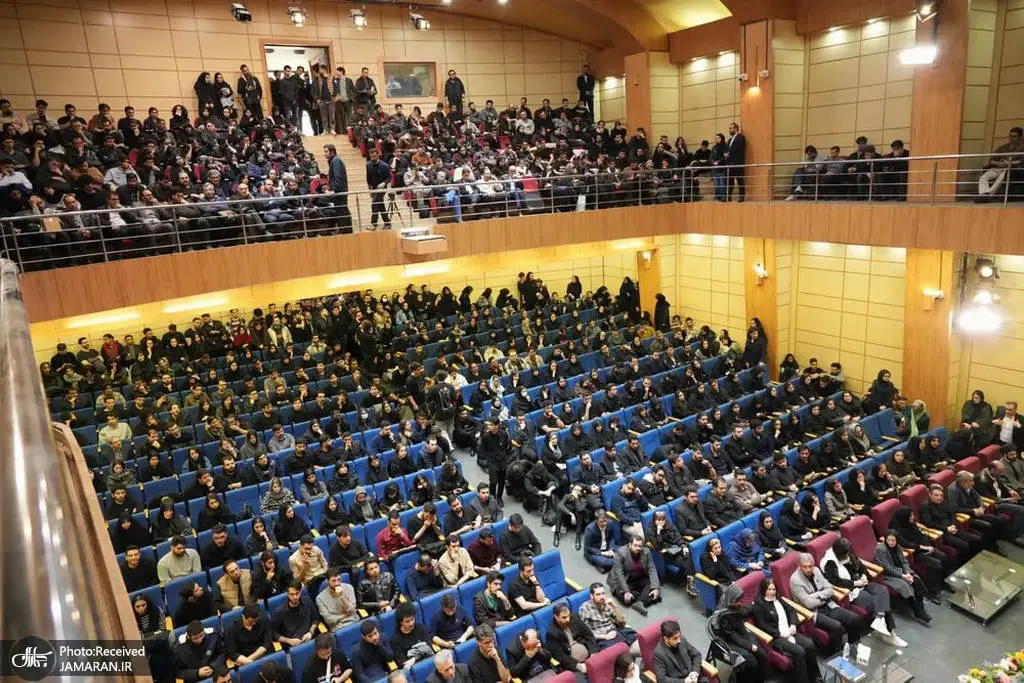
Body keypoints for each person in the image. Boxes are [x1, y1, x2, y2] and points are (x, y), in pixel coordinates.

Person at [820, 538, 907, 645]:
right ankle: (890, 634)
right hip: (852, 590)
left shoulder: (848, 553)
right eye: (845, 554)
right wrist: (855, 583)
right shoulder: (829, 562)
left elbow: (861, 566)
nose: (848, 556)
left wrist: (864, 575)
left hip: (862, 583)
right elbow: (835, 582)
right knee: (877, 602)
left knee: (882, 590)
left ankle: (879, 619)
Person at [789, 552, 864, 653]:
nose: (808, 570)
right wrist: (824, 597)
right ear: (799, 566)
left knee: (856, 619)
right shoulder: (795, 580)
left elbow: (830, 589)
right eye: (805, 567)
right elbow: (809, 604)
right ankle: (836, 654)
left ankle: (853, 648)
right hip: (813, 613)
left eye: (810, 566)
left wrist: (816, 595)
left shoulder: (816, 570)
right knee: (837, 627)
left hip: (829, 605)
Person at [751, 578, 821, 683]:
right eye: (769, 589)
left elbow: (791, 610)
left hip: (789, 631)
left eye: (774, 589)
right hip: (776, 637)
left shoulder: (778, 598)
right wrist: (779, 633)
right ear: (764, 590)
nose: (772, 592)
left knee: (810, 644)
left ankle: (815, 677)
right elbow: (762, 625)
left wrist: (793, 624)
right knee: (800, 652)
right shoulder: (759, 605)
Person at [875, 531, 934, 624]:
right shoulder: (880, 549)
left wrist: (907, 572)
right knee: (904, 586)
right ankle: (917, 611)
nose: (891, 542)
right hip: (888, 575)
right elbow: (887, 567)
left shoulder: (898, 547)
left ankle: (921, 608)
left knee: (916, 580)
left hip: (902, 571)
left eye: (893, 540)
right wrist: (902, 575)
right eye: (888, 540)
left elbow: (904, 561)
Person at [713, 584, 767, 683]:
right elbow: (732, 636)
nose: (740, 603)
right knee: (751, 662)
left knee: (763, 656)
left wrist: (755, 603)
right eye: (737, 601)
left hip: (741, 635)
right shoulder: (723, 615)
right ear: (731, 600)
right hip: (729, 642)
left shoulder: (733, 605)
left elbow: (743, 612)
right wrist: (749, 646)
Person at [608, 535, 661, 615]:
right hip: (624, 580)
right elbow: (619, 573)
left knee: (654, 584)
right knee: (624, 597)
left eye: (640, 546)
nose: (638, 548)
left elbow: (652, 568)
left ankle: (640, 602)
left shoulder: (646, 551)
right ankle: (644, 596)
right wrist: (626, 591)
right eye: (635, 545)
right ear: (630, 544)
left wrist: (655, 587)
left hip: (639, 578)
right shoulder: (620, 553)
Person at [579, 582, 639, 652]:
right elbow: (585, 633)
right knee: (620, 651)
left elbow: (622, 622)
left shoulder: (607, 603)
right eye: (598, 594)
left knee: (638, 640)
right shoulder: (585, 608)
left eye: (603, 593)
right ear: (592, 596)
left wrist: (614, 606)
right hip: (602, 637)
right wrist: (606, 636)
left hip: (615, 631)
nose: (602, 597)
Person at [545, 602, 597, 676]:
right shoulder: (551, 633)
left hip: (589, 654)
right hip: (573, 666)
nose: (568, 619)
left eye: (568, 616)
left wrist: (593, 653)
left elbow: (589, 635)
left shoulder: (575, 617)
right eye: (564, 617)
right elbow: (560, 656)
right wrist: (578, 666)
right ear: (556, 616)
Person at [975, 126, 1022, 202]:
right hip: (998, 167)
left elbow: (1021, 161)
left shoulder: (1022, 149)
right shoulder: (1002, 148)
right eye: (1010, 136)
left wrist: (1009, 163)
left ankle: (988, 196)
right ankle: (983, 195)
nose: (1011, 138)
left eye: (1014, 136)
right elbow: (991, 160)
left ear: (1020, 137)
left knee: (1002, 177)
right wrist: (998, 163)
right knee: (983, 177)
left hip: (1010, 169)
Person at [271, 580, 319, 649]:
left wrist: (311, 632)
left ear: (301, 592)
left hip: (310, 639)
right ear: (287, 594)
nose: (295, 597)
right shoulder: (279, 612)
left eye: (297, 593)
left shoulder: (308, 601)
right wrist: (288, 641)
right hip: (292, 646)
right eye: (292, 594)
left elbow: (315, 619)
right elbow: (273, 633)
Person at [391, 602, 435, 668]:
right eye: (407, 621)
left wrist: (414, 659)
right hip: (412, 668)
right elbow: (402, 663)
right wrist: (421, 654)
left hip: (427, 661)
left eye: (412, 619)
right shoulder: (395, 640)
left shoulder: (421, 628)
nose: (411, 623)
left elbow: (429, 649)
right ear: (401, 622)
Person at [317, 567, 359, 632]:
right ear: (327, 581)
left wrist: (342, 597)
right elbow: (329, 620)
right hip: (338, 628)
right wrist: (345, 615)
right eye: (333, 581)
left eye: (339, 579)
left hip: (354, 621)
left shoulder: (349, 588)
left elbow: (352, 610)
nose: (337, 583)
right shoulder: (320, 598)